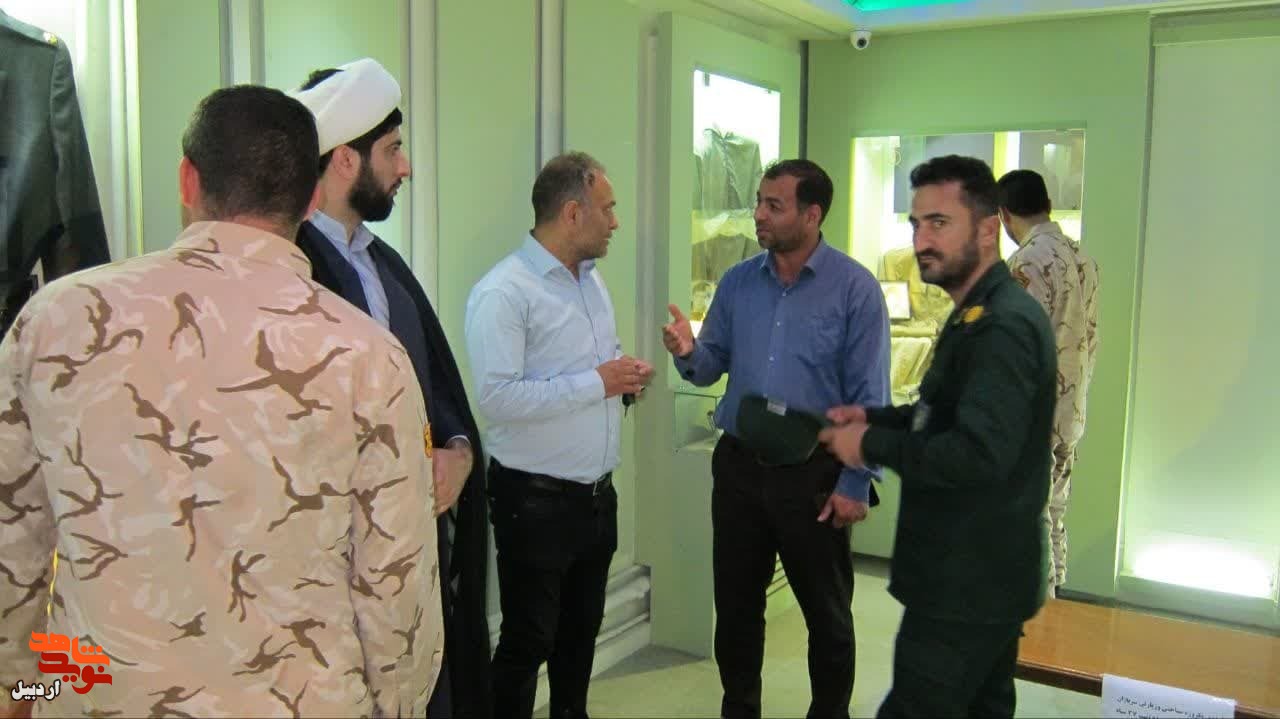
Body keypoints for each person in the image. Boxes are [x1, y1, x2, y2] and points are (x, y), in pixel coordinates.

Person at [0, 85, 441, 717]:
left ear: (188, 179)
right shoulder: (367, 357)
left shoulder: (56, 322)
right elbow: (397, 587)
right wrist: (399, 707)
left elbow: (10, 542)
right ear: (310, 198)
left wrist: (20, 690)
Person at [818, 155, 1056, 718]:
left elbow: (974, 455)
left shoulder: (1001, 325)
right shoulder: (976, 312)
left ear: (988, 229)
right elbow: (943, 415)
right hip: (977, 578)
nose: (921, 241)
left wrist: (868, 445)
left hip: (967, 583)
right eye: (916, 224)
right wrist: (877, 418)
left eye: (939, 223)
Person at [288, 58, 492, 718]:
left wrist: (458, 449)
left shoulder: (382, 262)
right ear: (345, 160)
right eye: (392, 150)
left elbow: (434, 386)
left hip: (413, 560)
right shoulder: (294, 272)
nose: (404, 167)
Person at [662, 159, 890, 719]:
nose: (758, 215)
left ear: (812, 215)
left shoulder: (854, 290)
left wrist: (855, 483)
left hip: (814, 475)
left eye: (773, 205)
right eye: (759, 202)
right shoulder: (739, 282)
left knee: (827, 615)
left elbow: (871, 397)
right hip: (739, 468)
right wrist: (688, 352)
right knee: (737, 608)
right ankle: (739, 708)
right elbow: (711, 364)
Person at [464, 151, 652, 719]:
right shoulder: (504, 292)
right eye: (607, 208)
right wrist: (598, 383)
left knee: (579, 639)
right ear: (573, 213)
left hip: (596, 499)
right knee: (528, 643)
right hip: (534, 502)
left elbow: (595, 367)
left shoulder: (591, 283)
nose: (615, 221)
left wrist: (623, 379)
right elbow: (497, 399)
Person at [998, 169, 1100, 596]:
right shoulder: (1081, 257)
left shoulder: (1027, 261)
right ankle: (1056, 611)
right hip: (1071, 407)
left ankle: (1037, 616)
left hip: (1033, 414)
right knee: (1053, 514)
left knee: (1026, 522)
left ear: (1004, 215)